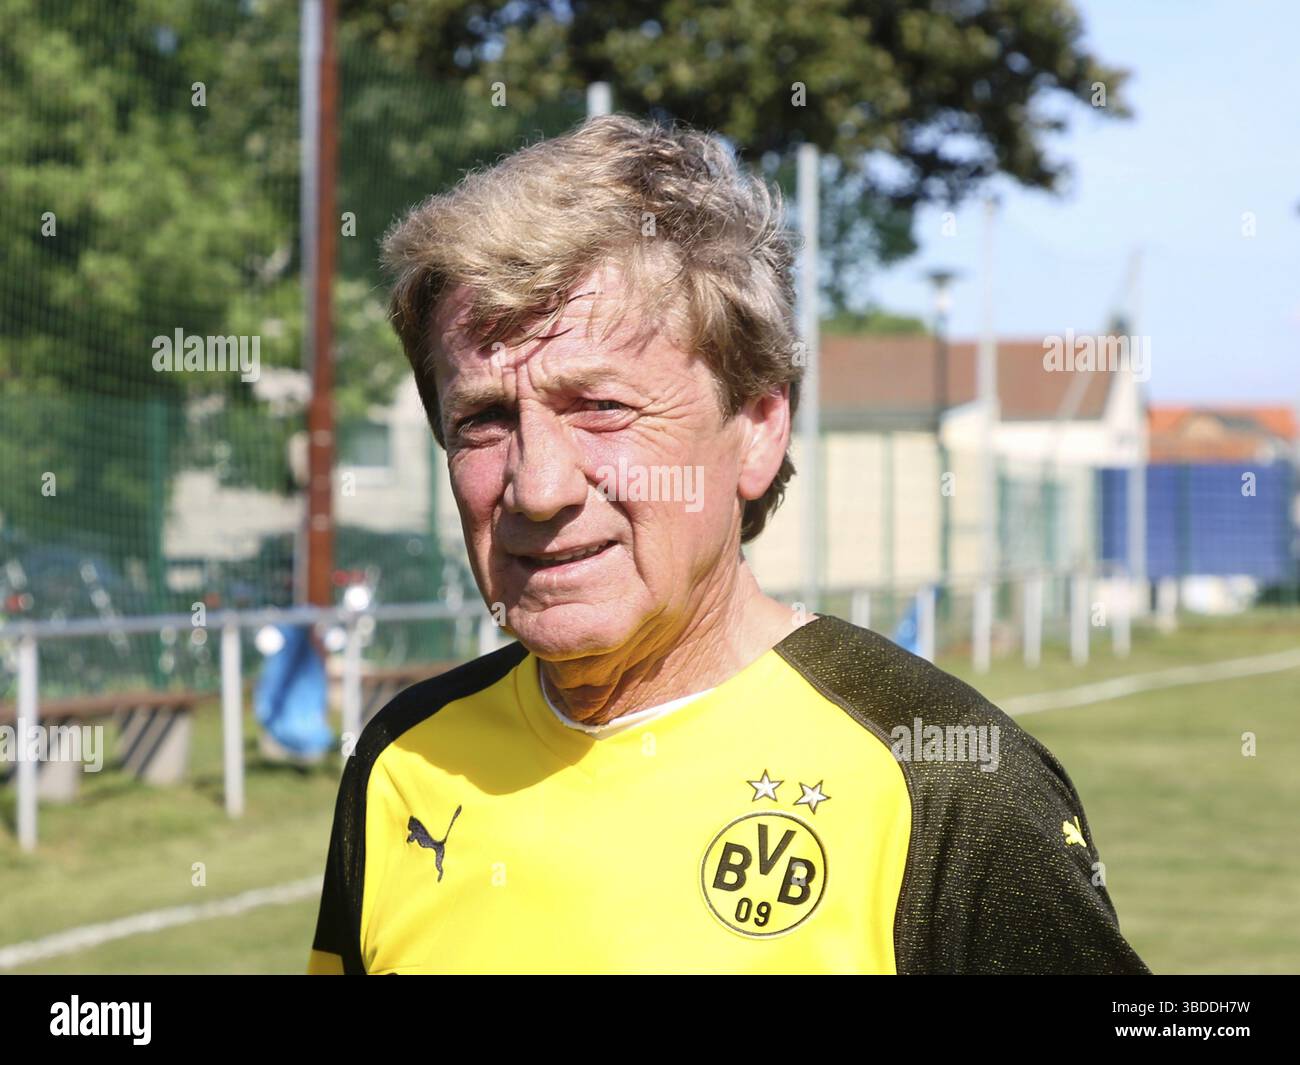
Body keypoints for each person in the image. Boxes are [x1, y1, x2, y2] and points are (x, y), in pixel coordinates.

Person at [306, 114, 1149, 974]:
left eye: (602, 406)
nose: (540, 484)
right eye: (484, 419)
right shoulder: (402, 758)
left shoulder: (943, 781)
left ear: (756, 428)